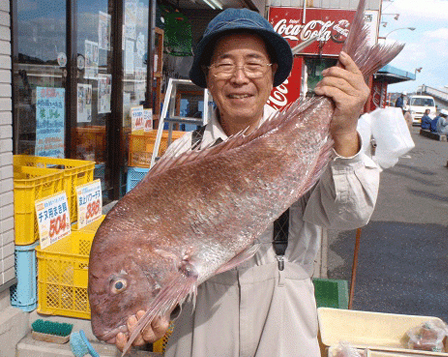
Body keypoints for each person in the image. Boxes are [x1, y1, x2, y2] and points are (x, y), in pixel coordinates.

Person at [115, 8, 380, 357]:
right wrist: (157, 309)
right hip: (203, 319)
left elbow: (349, 215)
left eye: (254, 64)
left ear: (272, 76)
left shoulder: (307, 137)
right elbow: (159, 253)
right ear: (208, 77)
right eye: (224, 64)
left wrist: (345, 131)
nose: (239, 77)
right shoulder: (182, 153)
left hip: (284, 315)